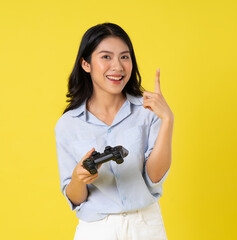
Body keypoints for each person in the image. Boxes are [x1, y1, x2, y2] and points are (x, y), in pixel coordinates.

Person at [55, 22, 174, 240]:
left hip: (145, 226)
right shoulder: (68, 124)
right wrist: (79, 177)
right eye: (106, 57)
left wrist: (167, 119)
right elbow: (75, 198)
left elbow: (155, 176)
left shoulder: (147, 111)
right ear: (86, 64)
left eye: (124, 57)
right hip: (96, 229)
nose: (117, 66)